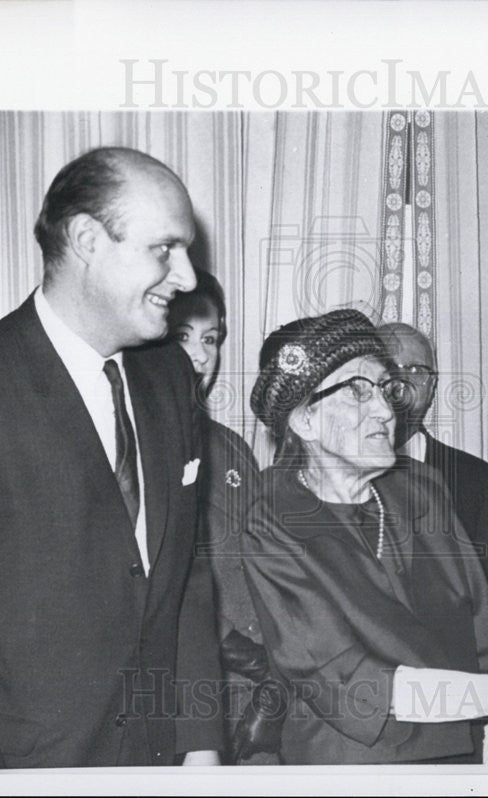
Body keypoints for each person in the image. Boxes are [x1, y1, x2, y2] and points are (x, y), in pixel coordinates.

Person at [0, 147, 223, 767]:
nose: (188, 278)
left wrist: (201, 743)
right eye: (163, 249)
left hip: (162, 755)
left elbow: (186, 576)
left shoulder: (170, 379)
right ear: (86, 239)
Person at [242, 309, 488, 765]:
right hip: (357, 765)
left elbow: (483, 631)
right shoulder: (271, 521)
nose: (385, 409)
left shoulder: (421, 488)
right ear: (304, 421)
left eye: (384, 388)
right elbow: (351, 682)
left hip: (466, 753)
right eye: (357, 392)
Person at [167, 271, 278, 764]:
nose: (200, 355)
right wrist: (258, 664)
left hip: (257, 697)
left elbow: (266, 564)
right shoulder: (137, 448)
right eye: (182, 337)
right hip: (190, 699)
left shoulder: (231, 447)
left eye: (210, 339)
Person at [377, 322, 488, 638]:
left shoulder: (475, 478)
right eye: (389, 368)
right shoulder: (338, 471)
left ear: (432, 386)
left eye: (415, 370)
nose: (401, 383)